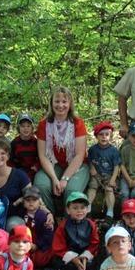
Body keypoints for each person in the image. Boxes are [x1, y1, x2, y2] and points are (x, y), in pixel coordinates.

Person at [34, 86, 89, 215]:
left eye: (64, 101)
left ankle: (67, 223)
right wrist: (54, 179)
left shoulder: (77, 123)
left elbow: (80, 155)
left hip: (77, 165)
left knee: (71, 190)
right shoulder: (44, 124)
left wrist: (64, 179)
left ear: (70, 104)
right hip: (54, 164)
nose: (60, 105)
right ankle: (49, 219)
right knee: (41, 185)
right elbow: (43, 155)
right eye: (57, 101)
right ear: (51, 103)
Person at [51, 192, 100, 270]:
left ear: (87, 209)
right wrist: (74, 259)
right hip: (67, 258)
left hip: (84, 256)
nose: (79, 211)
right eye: (75, 208)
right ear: (68, 210)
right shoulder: (63, 226)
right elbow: (58, 247)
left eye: (82, 207)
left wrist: (85, 258)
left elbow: (94, 243)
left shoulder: (90, 224)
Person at [0, 138, 32, 228]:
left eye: (3, 153)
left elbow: (33, 196)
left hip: (15, 218)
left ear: (8, 156)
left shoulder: (20, 175)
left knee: (12, 225)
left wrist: (47, 212)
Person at [86, 120, 121, 220]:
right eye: (101, 135)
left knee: (109, 190)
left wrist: (113, 179)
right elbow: (90, 161)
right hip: (96, 174)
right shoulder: (93, 149)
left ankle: (110, 213)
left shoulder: (113, 151)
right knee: (92, 187)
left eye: (107, 134)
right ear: (96, 136)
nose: (104, 137)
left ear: (110, 136)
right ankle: (88, 208)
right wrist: (92, 168)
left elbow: (116, 166)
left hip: (109, 175)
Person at [20, 186, 54, 268]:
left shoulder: (43, 216)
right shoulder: (21, 214)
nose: (31, 203)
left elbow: (48, 235)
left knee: (40, 259)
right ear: (23, 202)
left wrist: (37, 245)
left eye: (34, 200)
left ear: (39, 202)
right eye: (28, 200)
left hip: (40, 244)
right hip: (26, 242)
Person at [9, 113, 40, 181]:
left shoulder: (36, 142)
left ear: (32, 128)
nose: (25, 129)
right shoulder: (14, 143)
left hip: (33, 171)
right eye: (23, 126)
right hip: (19, 171)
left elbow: (41, 157)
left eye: (28, 126)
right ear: (18, 128)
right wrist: (14, 171)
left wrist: (37, 166)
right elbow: (10, 160)